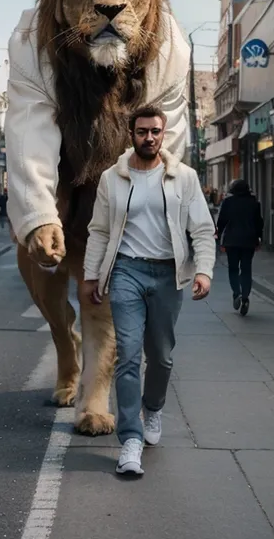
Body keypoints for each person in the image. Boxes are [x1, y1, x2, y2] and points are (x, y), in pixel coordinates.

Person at [82, 105, 216, 476]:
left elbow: (202, 229)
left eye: (155, 131)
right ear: (132, 134)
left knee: (161, 356)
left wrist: (203, 270)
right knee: (127, 354)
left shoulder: (183, 177)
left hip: (167, 275)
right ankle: (130, 439)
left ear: (164, 132)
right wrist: (93, 275)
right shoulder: (113, 178)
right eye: (142, 131)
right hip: (126, 270)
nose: (149, 137)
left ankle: (152, 407)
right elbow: (100, 231)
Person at [216, 179, 264, 316]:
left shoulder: (228, 203)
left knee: (233, 269)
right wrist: (259, 238)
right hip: (249, 241)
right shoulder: (254, 203)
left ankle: (236, 293)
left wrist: (218, 238)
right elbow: (259, 222)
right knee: (246, 269)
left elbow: (222, 222)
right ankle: (245, 297)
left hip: (232, 240)